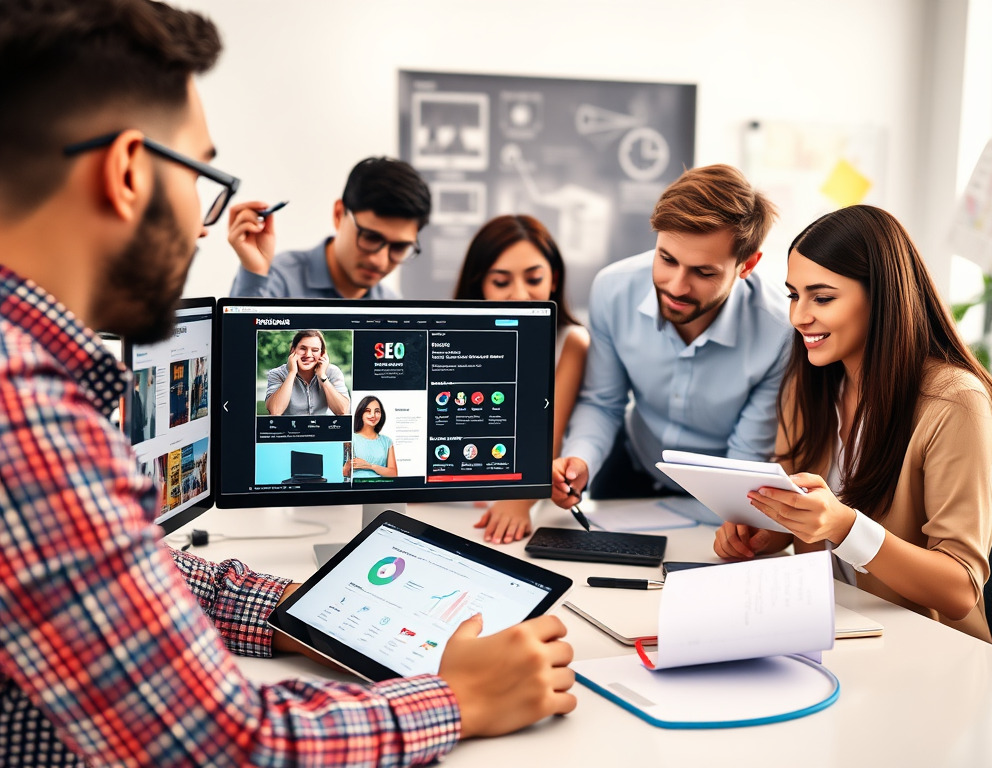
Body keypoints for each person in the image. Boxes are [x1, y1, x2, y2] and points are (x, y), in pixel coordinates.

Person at [0, 3, 575, 766]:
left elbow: (137, 568)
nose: (203, 225)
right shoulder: (28, 415)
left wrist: (316, 613)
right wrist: (459, 698)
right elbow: (229, 748)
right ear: (129, 172)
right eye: (200, 177)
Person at [713, 205, 992, 642]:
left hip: (926, 651)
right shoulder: (811, 383)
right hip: (830, 628)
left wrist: (844, 526)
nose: (799, 316)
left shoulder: (954, 401)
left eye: (821, 298)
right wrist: (771, 528)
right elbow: (803, 507)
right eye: (793, 295)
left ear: (882, 297)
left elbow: (959, 589)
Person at [551, 164, 791, 511]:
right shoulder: (612, 290)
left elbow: (748, 452)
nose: (677, 286)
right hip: (630, 466)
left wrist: (734, 516)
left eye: (704, 272)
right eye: (666, 259)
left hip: (719, 489)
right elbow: (603, 402)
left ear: (747, 265)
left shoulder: (779, 331)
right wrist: (579, 460)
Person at [453, 214, 590, 542]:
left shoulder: (571, 341)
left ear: (553, 278)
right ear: (480, 284)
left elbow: (548, 437)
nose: (520, 294)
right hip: (453, 498)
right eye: (501, 282)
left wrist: (518, 501)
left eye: (533, 279)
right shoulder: (452, 338)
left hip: (525, 497)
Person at [228, 156, 431, 299]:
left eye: (399, 248)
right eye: (370, 237)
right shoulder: (276, 282)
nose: (379, 261)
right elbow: (239, 356)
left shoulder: (391, 305)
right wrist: (254, 272)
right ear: (338, 214)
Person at [265, 329, 350, 416]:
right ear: (293, 350)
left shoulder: (333, 372)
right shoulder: (277, 374)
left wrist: (322, 376)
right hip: (291, 428)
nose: (308, 355)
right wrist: (292, 373)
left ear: (322, 353)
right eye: (303, 348)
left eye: (315, 350)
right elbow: (275, 411)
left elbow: (342, 411)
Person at [345, 395, 397, 479]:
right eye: (367, 411)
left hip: (379, 488)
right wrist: (348, 466)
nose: (373, 415)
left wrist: (370, 466)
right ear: (360, 413)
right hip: (357, 487)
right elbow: (343, 473)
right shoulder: (351, 439)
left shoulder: (387, 441)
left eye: (377, 411)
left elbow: (393, 473)